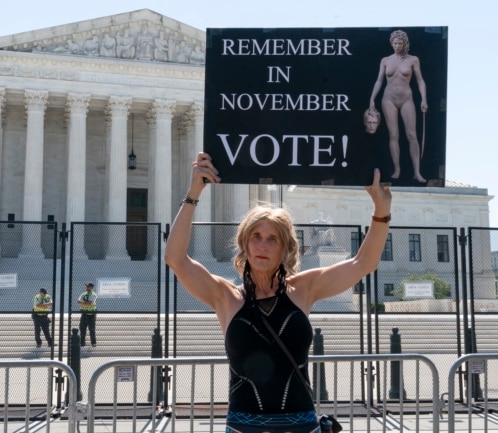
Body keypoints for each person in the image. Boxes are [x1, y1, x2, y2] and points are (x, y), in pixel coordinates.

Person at [165, 152, 392, 433]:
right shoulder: (226, 296)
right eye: (256, 237)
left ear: (285, 248)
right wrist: (193, 194)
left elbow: (363, 263)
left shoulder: (303, 289)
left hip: (301, 425)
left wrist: (381, 212)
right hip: (242, 427)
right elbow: (176, 259)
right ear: (245, 244)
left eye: (272, 239)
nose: (262, 246)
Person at [369, 29, 427, 183]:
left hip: (406, 98)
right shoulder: (385, 60)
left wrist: (424, 99)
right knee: (393, 135)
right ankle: (397, 169)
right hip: (388, 99)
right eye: (395, 43)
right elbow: (379, 80)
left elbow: (420, 80)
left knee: (412, 135)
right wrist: (372, 98)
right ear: (391, 43)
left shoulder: (413, 59)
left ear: (404, 43)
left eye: (400, 43)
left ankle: (417, 171)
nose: (397, 45)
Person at [77, 282, 97, 347]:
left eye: (88, 286)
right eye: (87, 286)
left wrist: (83, 303)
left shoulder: (94, 294)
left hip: (91, 314)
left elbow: (90, 303)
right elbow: (78, 301)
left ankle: (93, 343)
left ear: (91, 287)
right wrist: (86, 303)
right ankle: (82, 343)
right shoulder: (83, 294)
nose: (87, 288)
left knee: (92, 329)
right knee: (82, 329)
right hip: (84, 314)